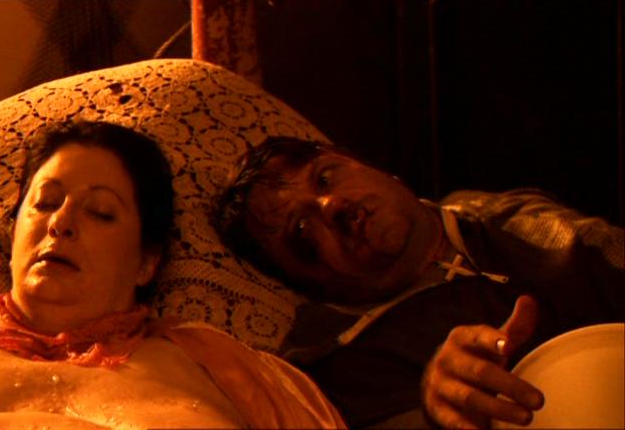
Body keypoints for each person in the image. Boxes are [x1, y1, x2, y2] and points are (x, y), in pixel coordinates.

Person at [0, 123, 346, 429]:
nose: (61, 223)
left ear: (147, 262)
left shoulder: (237, 373)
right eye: (45, 203)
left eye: (101, 213)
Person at [215, 136, 624, 429]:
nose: (333, 204)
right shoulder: (332, 371)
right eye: (302, 230)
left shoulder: (505, 214)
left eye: (324, 178)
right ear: (301, 284)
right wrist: (436, 408)